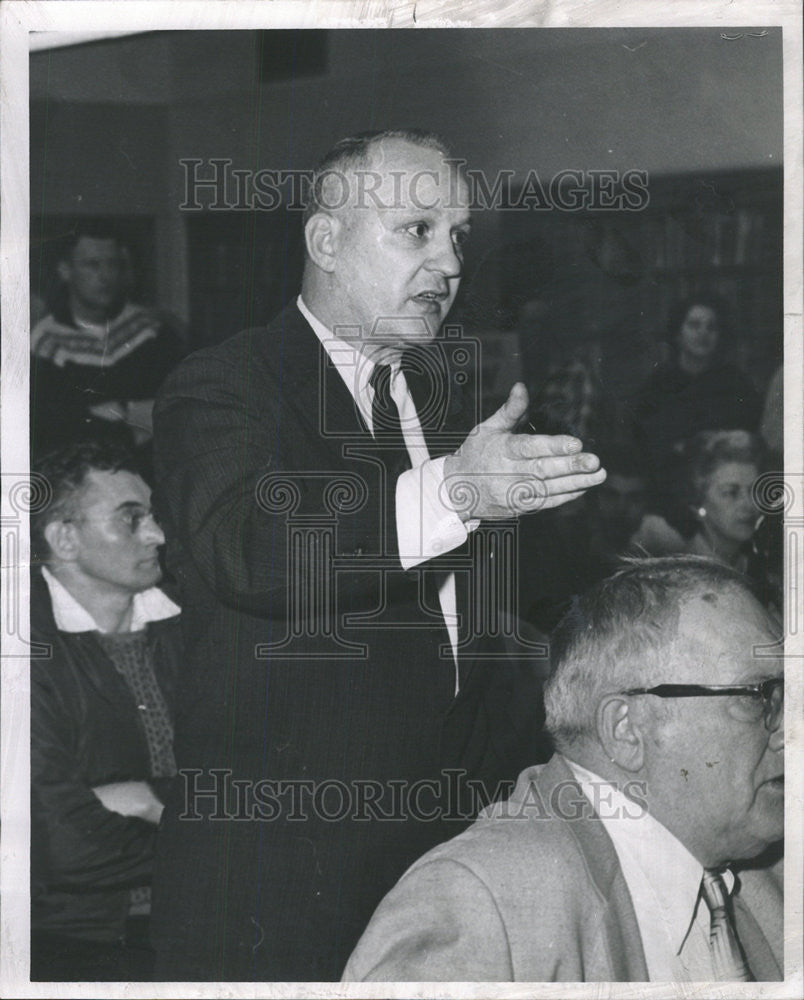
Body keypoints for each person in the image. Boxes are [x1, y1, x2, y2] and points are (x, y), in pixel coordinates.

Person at [150, 128, 607, 981]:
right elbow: (251, 546)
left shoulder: (435, 406)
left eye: (458, 236)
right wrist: (458, 494)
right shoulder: (224, 384)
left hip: (436, 864)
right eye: (417, 230)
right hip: (276, 882)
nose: (449, 263)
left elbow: (457, 638)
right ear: (326, 241)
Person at [344, 556, 783, 982]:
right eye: (759, 695)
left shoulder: (770, 880)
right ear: (626, 730)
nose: (790, 729)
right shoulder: (483, 905)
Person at [30, 440, 182, 981]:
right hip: (69, 942)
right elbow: (60, 845)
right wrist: (205, 836)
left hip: (195, 917)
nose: (157, 535)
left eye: (154, 516)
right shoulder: (22, 652)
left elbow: (253, 779)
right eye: (131, 519)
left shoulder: (191, 624)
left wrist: (143, 801)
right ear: (64, 538)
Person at [30, 223, 186, 459]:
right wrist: (134, 416)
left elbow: (177, 410)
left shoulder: (153, 332)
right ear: (65, 271)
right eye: (92, 265)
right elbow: (52, 428)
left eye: (113, 264)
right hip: (81, 473)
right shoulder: (44, 341)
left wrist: (115, 411)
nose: (105, 276)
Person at [631, 292, 761, 525]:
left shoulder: (736, 383)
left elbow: (748, 440)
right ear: (678, 334)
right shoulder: (657, 385)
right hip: (668, 492)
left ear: (720, 336)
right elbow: (646, 446)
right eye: (694, 325)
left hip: (725, 487)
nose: (703, 333)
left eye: (711, 327)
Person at [519, 443, 648, 633]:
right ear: (594, 500)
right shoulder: (559, 548)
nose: (622, 508)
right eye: (612, 496)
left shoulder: (649, 549)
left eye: (634, 498)